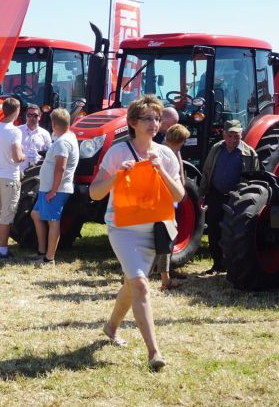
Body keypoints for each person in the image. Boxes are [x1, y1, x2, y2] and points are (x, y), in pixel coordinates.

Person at [89, 94, 184, 370]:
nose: (154, 123)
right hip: (122, 228)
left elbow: (179, 194)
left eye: (157, 118)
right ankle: (154, 352)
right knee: (141, 284)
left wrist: (160, 170)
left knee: (133, 283)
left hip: (153, 229)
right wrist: (117, 175)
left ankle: (110, 327)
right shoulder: (118, 152)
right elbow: (95, 193)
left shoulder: (165, 154)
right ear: (133, 122)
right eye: (148, 118)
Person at [199, 119, 259, 274]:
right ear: (224, 135)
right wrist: (202, 194)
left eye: (236, 136)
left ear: (242, 134)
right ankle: (217, 264)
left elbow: (254, 179)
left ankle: (233, 264)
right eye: (230, 135)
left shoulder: (250, 154)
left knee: (234, 233)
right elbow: (207, 172)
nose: (233, 139)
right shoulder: (216, 149)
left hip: (236, 200)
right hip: (216, 195)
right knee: (214, 231)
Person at [32, 108, 79, 266]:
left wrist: (53, 190)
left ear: (53, 124)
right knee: (36, 214)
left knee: (53, 221)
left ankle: (49, 258)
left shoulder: (63, 142)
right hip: (49, 188)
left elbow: (60, 168)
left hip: (55, 190)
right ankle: (41, 251)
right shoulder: (65, 137)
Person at [152, 124, 191, 290]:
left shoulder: (168, 151)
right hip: (165, 203)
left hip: (163, 202)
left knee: (161, 239)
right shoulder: (167, 155)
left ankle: (158, 275)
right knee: (165, 240)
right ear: (180, 141)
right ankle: (163, 278)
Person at [0, 98, 25, 258]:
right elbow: (17, 157)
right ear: (16, 111)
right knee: (6, 216)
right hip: (11, 176)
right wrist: (23, 155)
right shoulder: (15, 131)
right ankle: (3, 249)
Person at [18, 104, 51, 172]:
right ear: (26, 116)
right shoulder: (18, 131)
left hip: (38, 171)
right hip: (20, 170)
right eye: (29, 115)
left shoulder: (45, 134)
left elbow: (49, 153)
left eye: (35, 115)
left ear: (40, 117)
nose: (32, 118)